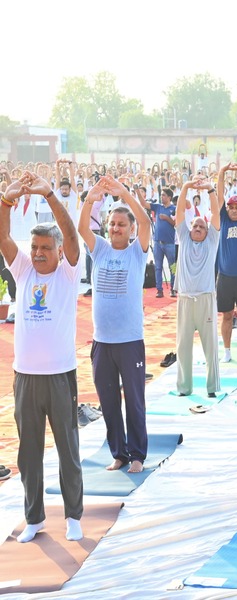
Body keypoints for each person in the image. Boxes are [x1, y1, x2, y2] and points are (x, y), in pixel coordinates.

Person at [0, 172, 84, 543]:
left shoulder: (68, 273)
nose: (36, 254)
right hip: (26, 377)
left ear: (57, 250)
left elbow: (71, 235)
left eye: (44, 248)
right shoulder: (22, 270)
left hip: (59, 375)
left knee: (68, 449)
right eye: (33, 247)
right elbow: (2, 239)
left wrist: (49, 194)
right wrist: (5, 200)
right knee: (29, 453)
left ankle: (73, 516)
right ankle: (33, 517)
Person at [78, 175, 152, 474]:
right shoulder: (101, 250)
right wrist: (90, 200)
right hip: (102, 342)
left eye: (122, 224)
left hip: (129, 341)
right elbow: (82, 228)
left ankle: (137, 454)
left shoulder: (136, 251)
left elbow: (146, 223)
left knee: (134, 402)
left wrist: (124, 193)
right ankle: (118, 453)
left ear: (131, 229)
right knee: (108, 402)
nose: (116, 228)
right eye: (112, 224)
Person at [173, 176, 221, 397]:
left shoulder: (212, 241)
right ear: (189, 229)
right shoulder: (183, 237)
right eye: (196, 225)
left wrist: (210, 189)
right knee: (183, 347)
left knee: (210, 347)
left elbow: (216, 215)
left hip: (205, 299)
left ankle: (212, 388)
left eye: (203, 225)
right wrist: (185, 186)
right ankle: (184, 387)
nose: (199, 227)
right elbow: (180, 214)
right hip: (184, 299)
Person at [215, 163, 237, 364]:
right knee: (227, 316)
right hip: (225, 277)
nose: (234, 211)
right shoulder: (224, 220)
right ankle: (226, 351)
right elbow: (219, 195)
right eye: (231, 207)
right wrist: (222, 173)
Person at [148, 187, 178, 298]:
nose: (162, 196)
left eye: (164, 195)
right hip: (157, 242)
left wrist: (166, 218)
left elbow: (176, 223)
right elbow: (143, 204)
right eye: (161, 195)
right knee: (158, 267)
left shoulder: (174, 208)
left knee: (173, 266)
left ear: (169, 197)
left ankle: (173, 289)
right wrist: (137, 191)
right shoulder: (158, 207)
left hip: (170, 243)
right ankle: (159, 290)